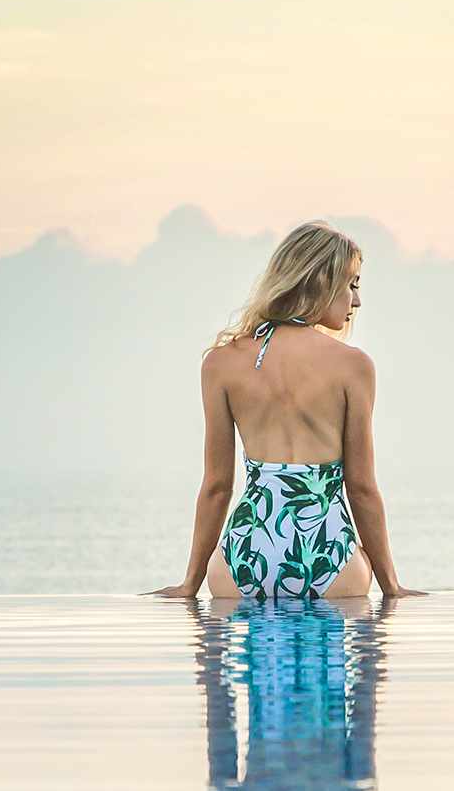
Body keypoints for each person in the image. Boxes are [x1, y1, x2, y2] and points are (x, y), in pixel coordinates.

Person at [150, 221, 424, 602]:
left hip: (243, 556)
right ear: (321, 281)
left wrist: (189, 586)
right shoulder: (353, 366)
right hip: (327, 556)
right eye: (352, 285)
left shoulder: (220, 363)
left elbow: (217, 486)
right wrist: (391, 587)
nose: (357, 301)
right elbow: (361, 488)